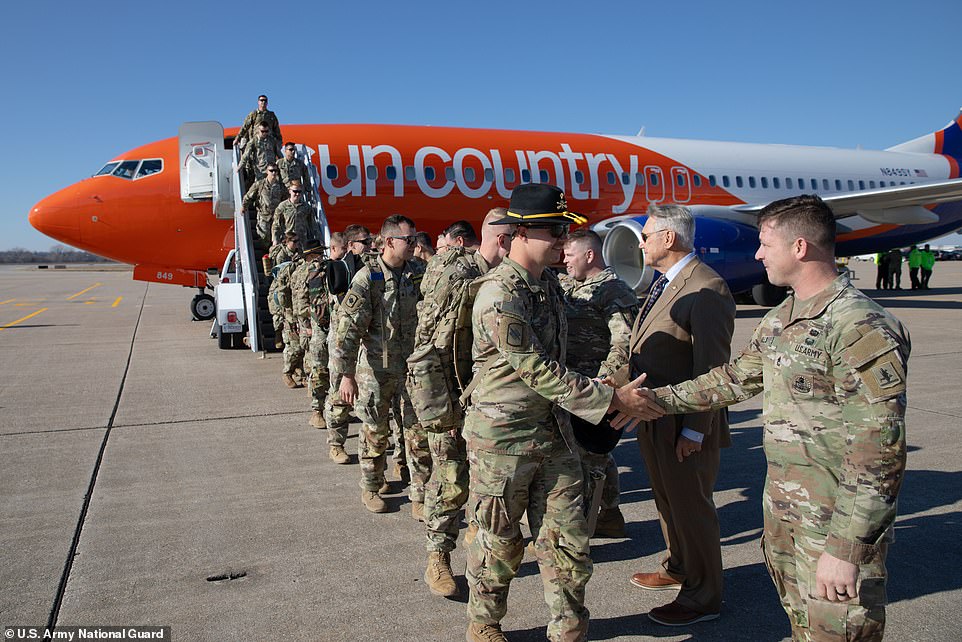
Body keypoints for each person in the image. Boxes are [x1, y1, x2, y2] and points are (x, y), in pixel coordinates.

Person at [617, 194, 910, 641]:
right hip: (787, 516)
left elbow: (879, 454)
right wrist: (649, 400)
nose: (756, 255)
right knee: (802, 627)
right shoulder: (781, 318)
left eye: (765, 244)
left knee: (839, 631)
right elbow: (731, 380)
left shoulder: (860, 326)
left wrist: (847, 548)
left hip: (834, 524)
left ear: (799, 248)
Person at [463, 183, 666, 642]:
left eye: (563, 230)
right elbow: (537, 369)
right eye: (554, 230)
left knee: (568, 539)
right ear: (518, 233)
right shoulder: (500, 294)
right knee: (500, 541)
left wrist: (613, 373)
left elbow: (576, 348)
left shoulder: (550, 286)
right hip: (504, 438)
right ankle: (485, 623)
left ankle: (570, 626)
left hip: (555, 431)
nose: (562, 240)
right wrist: (612, 399)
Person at [620, 204, 735, 627]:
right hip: (656, 415)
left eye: (646, 235)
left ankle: (703, 596)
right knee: (669, 503)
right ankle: (679, 566)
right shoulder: (667, 282)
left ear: (669, 239)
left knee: (692, 507)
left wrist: (694, 430)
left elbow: (712, 370)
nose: (641, 242)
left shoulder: (708, 287)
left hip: (685, 421)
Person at [410, 210, 513, 598]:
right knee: (452, 480)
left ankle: (482, 545)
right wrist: (447, 410)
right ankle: (437, 556)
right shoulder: (459, 277)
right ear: (502, 241)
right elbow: (433, 346)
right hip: (449, 394)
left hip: (486, 398)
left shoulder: (507, 279)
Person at [332, 215, 424, 514]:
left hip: (411, 368)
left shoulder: (417, 272)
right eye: (408, 240)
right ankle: (371, 486)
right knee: (375, 431)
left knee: (416, 431)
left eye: (414, 240)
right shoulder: (368, 277)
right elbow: (348, 329)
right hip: (376, 370)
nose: (413, 245)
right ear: (389, 242)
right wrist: (346, 375)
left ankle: (419, 494)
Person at [559, 228, 639, 538]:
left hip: (593, 391)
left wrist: (602, 382)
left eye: (570, 255)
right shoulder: (571, 286)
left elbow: (624, 342)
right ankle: (610, 514)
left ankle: (586, 527)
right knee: (593, 457)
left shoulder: (613, 291)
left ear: (589, 255)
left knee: (588, 460)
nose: (565, 261)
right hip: (570, 389)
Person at [325, 225, 376, 464]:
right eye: (365, 242)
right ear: (352, 245)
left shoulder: (373, 268)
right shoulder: (341, 268)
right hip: (342, 340)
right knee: (339, 395)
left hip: (367, 341)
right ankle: (336, 443)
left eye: (370, 241)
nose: (370, 246)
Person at [292, 239, 333, 428]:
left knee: (327, 369)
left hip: (324, 324)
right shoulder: (305, 272)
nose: (321, 256)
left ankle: (332, 408)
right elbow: (301, 302)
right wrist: (307, 324)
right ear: (311, 255)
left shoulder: (321, 269)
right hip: (316, 326)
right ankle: (317, 411)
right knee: (319, 369)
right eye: (318, 253)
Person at [274, 234, 306, 388]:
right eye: (294, 241)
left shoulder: (304, 266)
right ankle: (287, 372)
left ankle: (301, 373)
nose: (297, 244)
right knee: (294, 346)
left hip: (302, 311)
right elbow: (281, 291)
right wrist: (287, 313)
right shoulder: (288, 267)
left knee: (303, 345)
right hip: (291, 312)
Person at [241, 163, 288, 243]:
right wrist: (244, 207)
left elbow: (285, 200)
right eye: (271, 171)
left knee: (277, 238)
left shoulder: (281, 186)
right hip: (264, 216)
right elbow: (248, 196)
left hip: (276, 218)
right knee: (264, 238)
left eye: (275, 171)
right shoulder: (260, 184)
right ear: (267, 171)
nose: (273, 173)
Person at [272, 181, 319, 247]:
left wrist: (317, 238)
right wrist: (275, 239)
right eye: (295, 191)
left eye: (299, 192)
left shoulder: (306, 207)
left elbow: (312, 225)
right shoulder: (282, 206)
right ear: (289, 191)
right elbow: (276, 225)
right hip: (288, 241)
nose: (297, 194)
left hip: (302, 241)